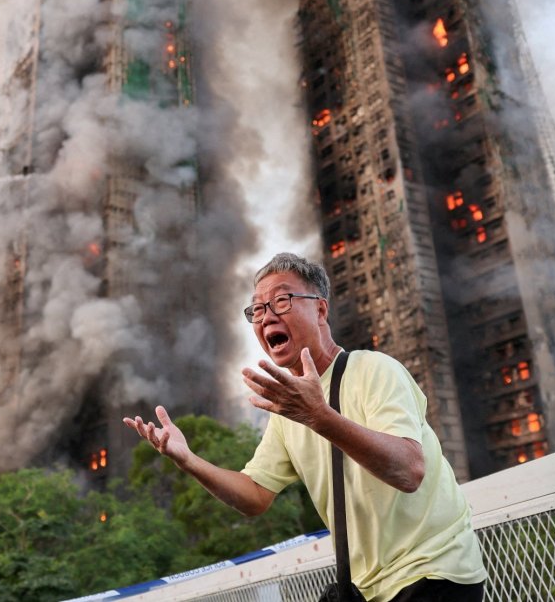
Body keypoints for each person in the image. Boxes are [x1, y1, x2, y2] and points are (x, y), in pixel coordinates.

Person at [123, 252, 486, 602]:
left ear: (321, 309)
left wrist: (318, 416)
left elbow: (409, 470)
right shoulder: (287, 410)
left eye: (282, 301)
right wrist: (188, 460)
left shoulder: (374, 370)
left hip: (434, 573)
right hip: (367, 588)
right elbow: (255, 496)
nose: (266, 317)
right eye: (258, 309)